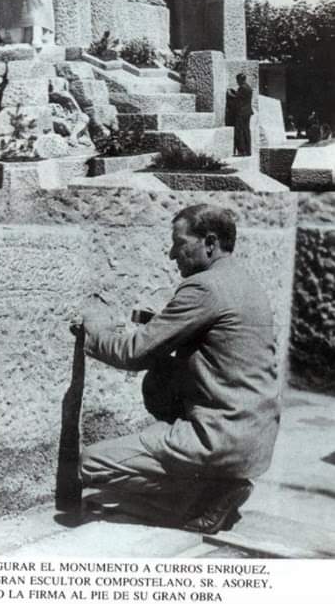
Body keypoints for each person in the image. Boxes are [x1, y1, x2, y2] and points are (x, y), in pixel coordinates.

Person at [74, 204, 280, 534]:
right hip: (254, 439)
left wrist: (94, 330)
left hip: (217, 437)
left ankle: (207, 494)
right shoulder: (245, 281)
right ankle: (216, 484)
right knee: (162, 379)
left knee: (90, 464)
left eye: (179, 243)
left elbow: (134, 353)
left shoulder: (203, 287)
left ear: (209, 243)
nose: (172, 254)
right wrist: (160, 326)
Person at [228, 73, 253, 156]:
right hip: (247, 112)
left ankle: (242, 151)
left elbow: (236, 98)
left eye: (237, 80)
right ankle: (248, 151)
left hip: (241, 113)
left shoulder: (242, 88)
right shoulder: (248, 87)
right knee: (246, 131)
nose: (237, 82)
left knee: (240, 131)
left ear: (240, 80)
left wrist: (230, 93)